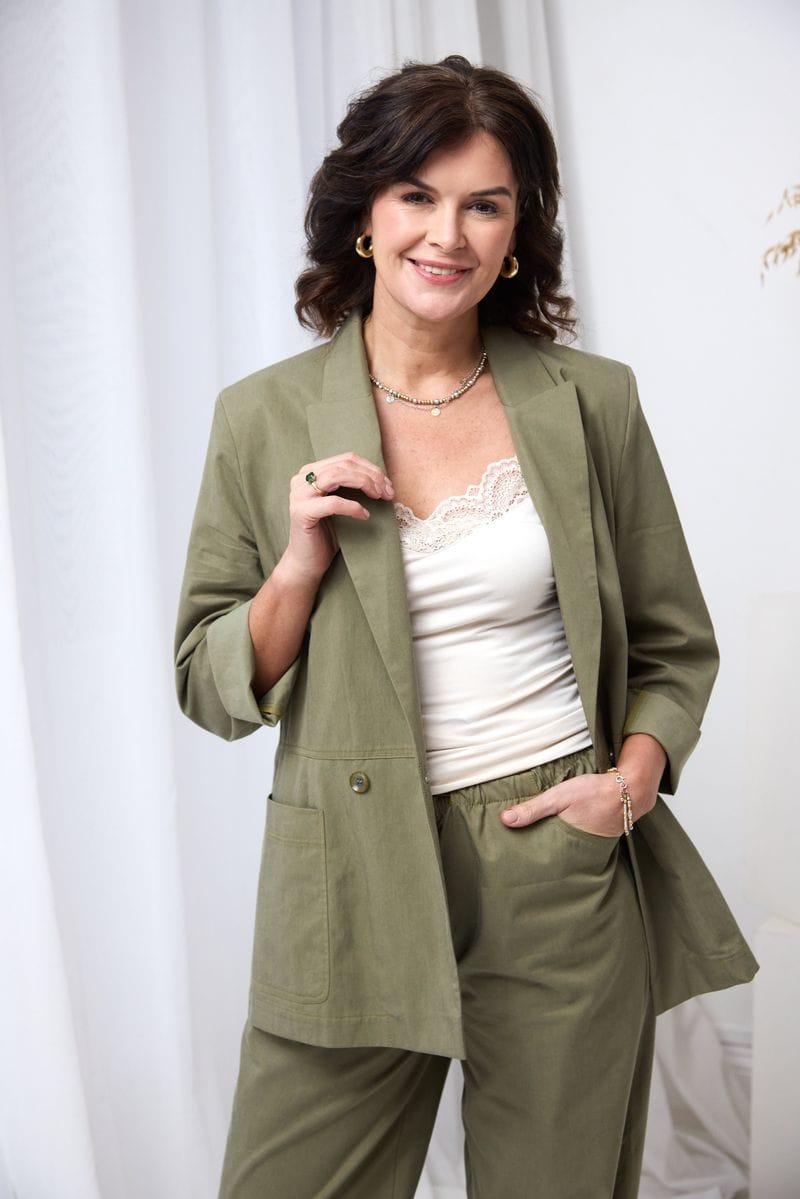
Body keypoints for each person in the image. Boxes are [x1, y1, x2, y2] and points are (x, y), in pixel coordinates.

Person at [174, 54, 757, 1199]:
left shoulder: (590, 400)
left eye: (483, 205)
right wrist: (296, 562)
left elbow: (673, 641)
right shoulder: (260, 417)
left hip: (555, 851)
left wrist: (626, 784)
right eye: (417, 196)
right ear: (364, 216)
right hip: (349, 869)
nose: (446, 234)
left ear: (515, 232)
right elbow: (207, 683)